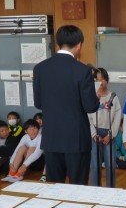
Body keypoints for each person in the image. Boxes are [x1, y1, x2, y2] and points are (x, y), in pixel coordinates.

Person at [33, 25, 100, 185]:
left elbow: (38, 103)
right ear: (79, 45)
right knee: (78, 185)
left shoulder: (40, 68)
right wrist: (95, 97)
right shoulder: (82, 70)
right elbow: (90, 106)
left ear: (58, 43)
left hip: (51, 137)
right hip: (76, 139)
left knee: (54, 186)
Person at [88, 68, 122, 187]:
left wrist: (111, 134)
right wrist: (93, 134)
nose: (100, 82)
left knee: (110, 164)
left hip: (109, 132)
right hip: (95, 132)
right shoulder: (91, 97)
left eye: (102, 79)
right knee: (95, 165)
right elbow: (88, 117)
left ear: (107, 80)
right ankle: (96, 189)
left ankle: (110, 189)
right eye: (97, 80)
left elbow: (117, 117)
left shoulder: (113, 97)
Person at [33, 112, 47, 182]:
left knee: (49, 153)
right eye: (37, 119)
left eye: (41, 119)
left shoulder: (48, 128)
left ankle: (44, 175)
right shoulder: (33, 129)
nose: (39, 121)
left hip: (45, 150)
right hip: (36, 150)